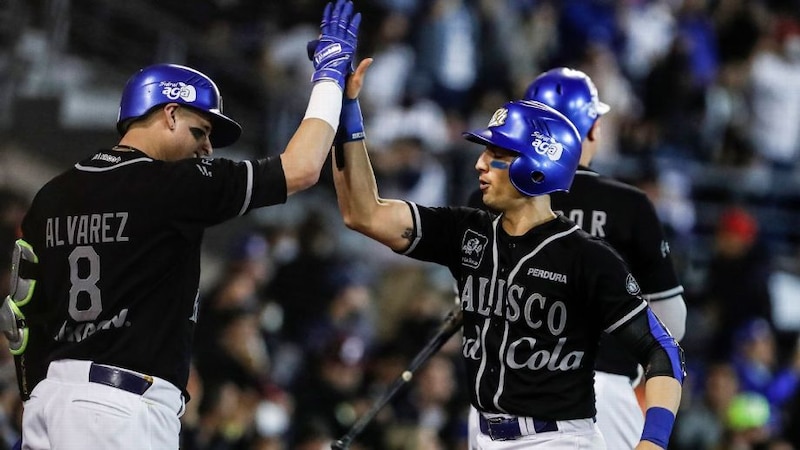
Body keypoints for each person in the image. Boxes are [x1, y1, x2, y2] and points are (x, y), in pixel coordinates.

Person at [0, 0, 364, 447]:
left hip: (49, 401)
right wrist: (328, 78)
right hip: (119, 407)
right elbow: (303, 167)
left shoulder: (51, 195)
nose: (208, 148)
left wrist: (34, 399)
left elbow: (20, 313)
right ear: (169, 112)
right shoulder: (172, 184)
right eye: (200, 130)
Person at [331, 58, 685, 448]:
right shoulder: (466, 230)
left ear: (539, 164)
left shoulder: (588, 258)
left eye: (498, 154)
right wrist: (345, 107)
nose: (481, 163)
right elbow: (363, 213)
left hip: (558, 440)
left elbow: (663, 348)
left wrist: (652, 442)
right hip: (485, 432)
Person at [467, 67, 688, 449]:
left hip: (495, 402)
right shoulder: (628, 205)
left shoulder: (487, 199)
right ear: (592, 127)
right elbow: (672, 323)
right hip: (602, 392)